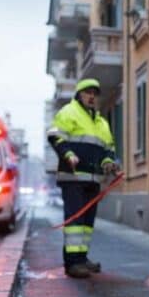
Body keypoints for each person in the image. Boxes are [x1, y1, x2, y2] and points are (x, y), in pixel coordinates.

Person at [47, 77, 122, 278]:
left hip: (93, 179)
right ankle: (72, 263)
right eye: (88, 92)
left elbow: (108, 149)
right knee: (75, 221)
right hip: (73, 179)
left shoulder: (101, 122)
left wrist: (108, 162)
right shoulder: (68, 112)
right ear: (79, 94)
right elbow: (55, 136)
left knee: (87, 223)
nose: (91, 96)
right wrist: (68, 155)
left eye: (94, 93)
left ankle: (82, 257)